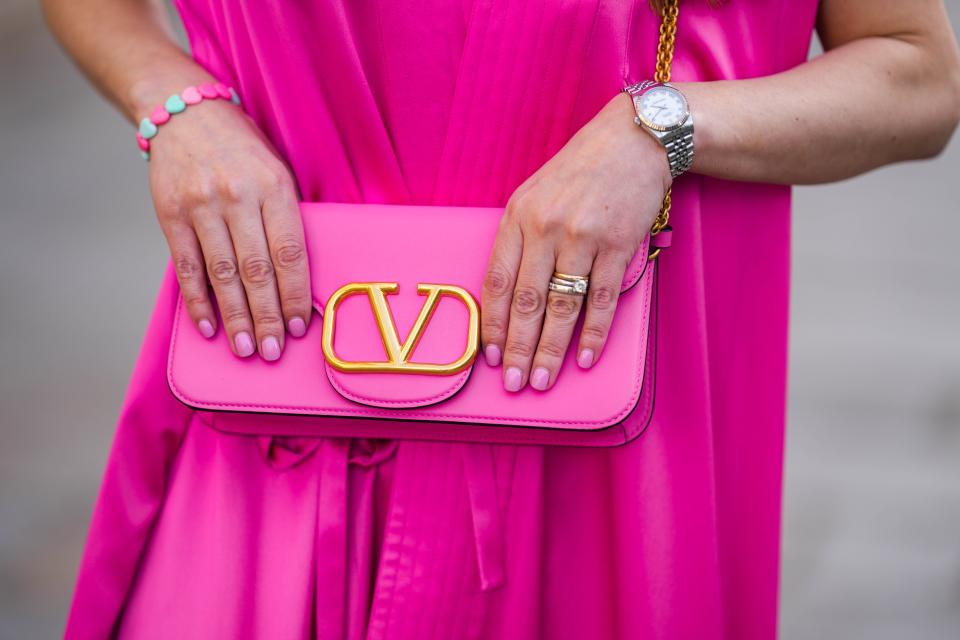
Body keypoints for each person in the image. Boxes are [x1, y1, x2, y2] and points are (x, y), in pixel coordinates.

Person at [45, 0, 960, 638]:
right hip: (267, 408)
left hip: (616, 438)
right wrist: (178, 108)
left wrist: (666, 128)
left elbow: (916, 76)